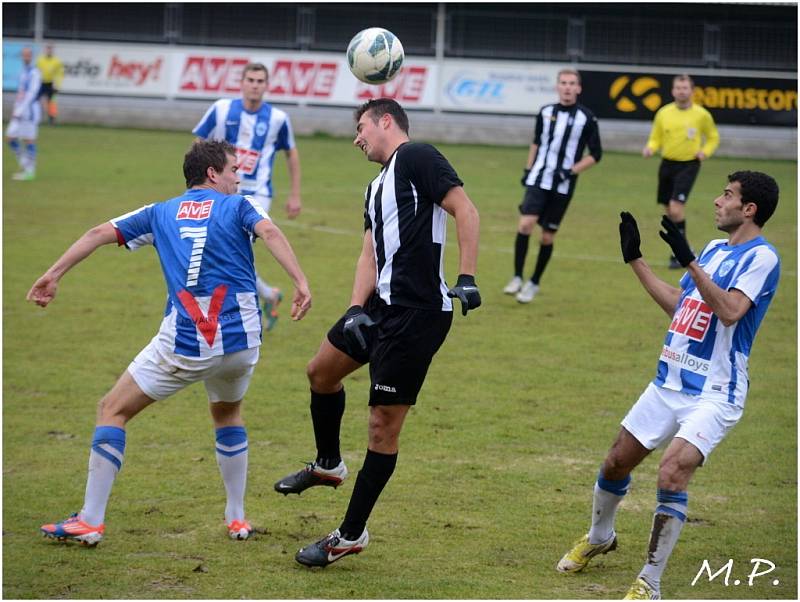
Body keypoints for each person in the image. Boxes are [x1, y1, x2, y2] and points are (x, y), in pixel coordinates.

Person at [30, 140, 312, 546]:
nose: (239, 176)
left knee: (111, 409)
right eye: (233, 169)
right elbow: (268, 230)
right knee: (228, 413)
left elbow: (98, 233)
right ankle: (237, 517)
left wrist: (53, 274)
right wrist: (300, 282)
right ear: (213, 173)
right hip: (242, 342)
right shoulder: (240, 206)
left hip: (189, 342)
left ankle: (90, 520)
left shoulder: (160, 212)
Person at [272, 98, 481, 567]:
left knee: (381, 428)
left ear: (387, 121)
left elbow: (465, 210)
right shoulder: (375, 187)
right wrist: (352, 308)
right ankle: (329, 464)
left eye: (362, 126)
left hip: (416, 314)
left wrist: (466, 276)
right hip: (377, 307)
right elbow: (368, 253)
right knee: (321, 372)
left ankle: (350, 534)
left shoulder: (417, 156)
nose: (356, 137)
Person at [557, 171, 780, 600]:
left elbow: (731, 310)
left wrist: (690, 261)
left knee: (672, 472)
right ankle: (600, 535)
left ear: (749, 209)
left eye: (727, 195)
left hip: (715, 393)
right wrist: (636, 260)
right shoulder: (716, 249)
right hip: (668, 382)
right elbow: (681, 307)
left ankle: (650, 581)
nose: (717, 200)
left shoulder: (762, 258)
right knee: (615, 464)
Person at [193, 62, 302, 331]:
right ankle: (268, 295)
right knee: (226, 251)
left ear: (266, 85)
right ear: (241, 82)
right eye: (250, 80)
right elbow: (198, 143)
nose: (255, 85)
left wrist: (295, 194)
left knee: (229, 249)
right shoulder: (221, 110)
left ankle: (235, 313)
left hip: (257, 194)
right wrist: (197, 182)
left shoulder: (278, 119)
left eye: (260, 80)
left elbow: (292, 154)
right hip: (220, 190)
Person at [503, 68, 602, 303]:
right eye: (563, 83)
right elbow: (536, 142)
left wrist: (570, 171)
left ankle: (534, 282)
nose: (567, 87)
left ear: (578, 88)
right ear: (558, 86)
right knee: (525, 224)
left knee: (547, 237)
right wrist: (528, 169)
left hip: (563, 185)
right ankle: (517, 276)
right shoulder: (545, 112)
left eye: (572, 83)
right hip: (539, 178)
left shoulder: (586, 118)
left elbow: (596, 154)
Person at [642, 74, 720, 269]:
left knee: (676, 208)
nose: (681, 91)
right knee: (669, 211)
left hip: (689, 164)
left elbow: (713, 137)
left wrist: (705, 151)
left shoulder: (701, 115)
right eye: (678, 88)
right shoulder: (664, 113)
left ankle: (681, 253)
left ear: (692, 91)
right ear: (672, 91)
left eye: (685, 88)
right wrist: (650, 147)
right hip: (667, 164)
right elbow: (655, 137)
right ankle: (684, 251)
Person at [6, 47, 42, 181]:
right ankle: (25, 164)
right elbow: (20, 93)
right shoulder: (23, 72)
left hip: (30, 111)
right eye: (23, 55)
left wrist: (21, 110)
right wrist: (16, 109)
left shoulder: (35, 73)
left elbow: (32, 94)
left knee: (29, 140)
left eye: (28, 55)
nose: (25, 57)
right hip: (20, 111)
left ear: (31, 57)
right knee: (10, 138)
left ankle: (30, 172)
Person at [36, 44, 64, 125]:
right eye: (48, 49)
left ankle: (51, 120)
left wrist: (57, 85)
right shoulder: (40, 60)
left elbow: (59, 74)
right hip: (41, 83)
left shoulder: (56, 61)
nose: (49, 51)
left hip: (51, 84)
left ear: (53, 50)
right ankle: (35, 118)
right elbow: (36, 72)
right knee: (36, 100)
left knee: (51, 103)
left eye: (50, 49)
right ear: (45, 50)